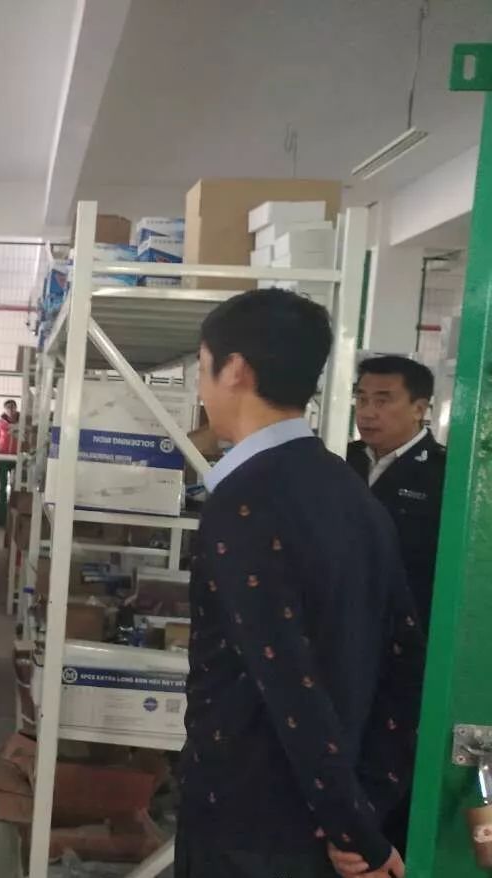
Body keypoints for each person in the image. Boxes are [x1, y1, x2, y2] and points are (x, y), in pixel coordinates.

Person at [177, 290, 424, 878]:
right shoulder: (350, 491)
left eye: (203, 366)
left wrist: (354, 829)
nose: (202, 386)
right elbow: (404, 659)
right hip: (321, 820)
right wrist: (364, 810)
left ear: (235, 370)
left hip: (247, 823)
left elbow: (287, 682)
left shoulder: (245, 504)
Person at [347, 355, 445, 857]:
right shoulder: (338, 462)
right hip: (337, 648)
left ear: (420, 408)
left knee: (392, 775)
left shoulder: (445, 477)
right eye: (362, 399)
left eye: (383, 400)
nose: (368, 411)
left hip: (406, 656)